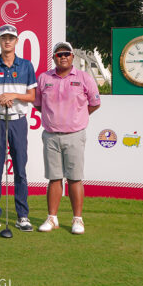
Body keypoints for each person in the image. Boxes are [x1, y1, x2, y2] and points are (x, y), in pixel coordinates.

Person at [34, 42, 100, 234]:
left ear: (72, 56)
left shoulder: (84, 77)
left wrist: (78, 116)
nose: (63, 57)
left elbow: (95, 103)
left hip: (74, 135)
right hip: (51, 135)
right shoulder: (44, 78)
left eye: (66, 54)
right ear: (54, 57)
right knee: (54, 178)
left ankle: (77, 219)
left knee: (74, 178)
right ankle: (52, 218)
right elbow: (38, 104)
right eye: (59, 54)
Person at [0, 24, 37, 232]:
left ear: (16, 41)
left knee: (20, 169)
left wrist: (13, 95)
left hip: (18, 121)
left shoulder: (26, 65)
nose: (7, 41)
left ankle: (22, 215)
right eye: (4, 38)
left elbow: (31, 96)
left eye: (11, 38)